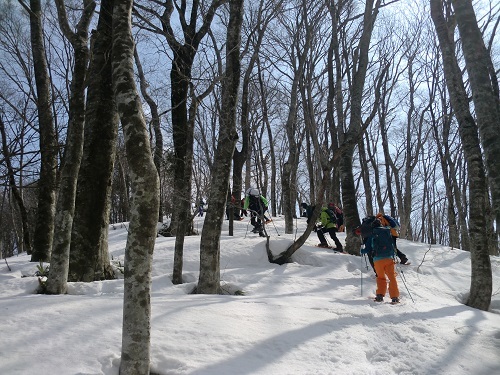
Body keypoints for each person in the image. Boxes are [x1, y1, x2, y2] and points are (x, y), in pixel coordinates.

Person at [360, 219, 400, 303]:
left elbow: (367, 249)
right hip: (389, 258)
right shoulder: (387, 232)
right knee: (392, 278)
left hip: (378, 260)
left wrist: (362, 251)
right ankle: (395, 297)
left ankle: (380, 296)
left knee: (381, 277)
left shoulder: (372, 234)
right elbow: (393, 245)